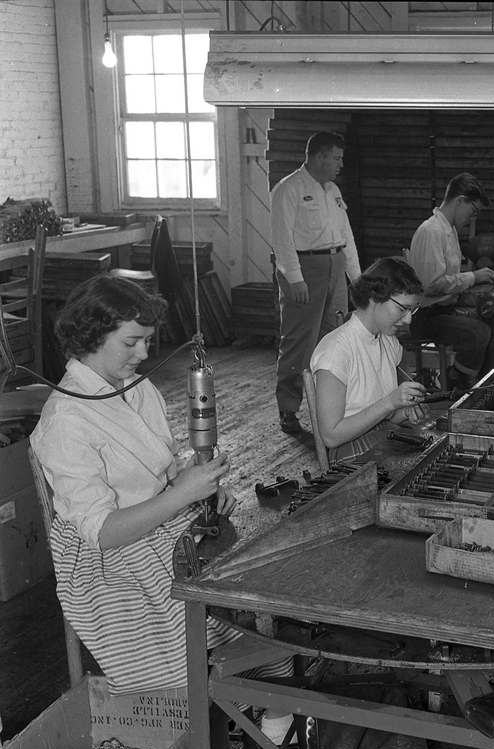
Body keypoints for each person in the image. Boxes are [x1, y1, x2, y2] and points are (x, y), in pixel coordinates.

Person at [29, 275, 242, 695]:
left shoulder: (138, 388)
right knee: (193, 640)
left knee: (250, 594)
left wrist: (195, 485)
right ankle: (204, 716)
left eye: (147, 340)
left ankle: (255, 710)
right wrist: (182, 494)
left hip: (162, 521)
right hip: (107, 557)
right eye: (131, 343)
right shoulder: (65, 421)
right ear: (92, 336)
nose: (144, 353)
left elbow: (164, 469)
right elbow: (103, 532)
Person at [271, 131, 361, 434]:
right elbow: (282, 239)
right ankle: (288, 408)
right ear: (319, 156)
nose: (340, 164)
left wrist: (357, 279)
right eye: (336, 157)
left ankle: (329, 404)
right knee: (299, 339)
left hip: (334, 265)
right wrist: (294, 279)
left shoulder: (333, 190)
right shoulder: (289, 189)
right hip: (304, 268)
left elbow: (346, 237)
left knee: (333, 336)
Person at [310, 257, 430, 462]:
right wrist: (390, 402)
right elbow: (330, 436)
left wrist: (405, 411)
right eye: (402, 309)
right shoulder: (336, 351)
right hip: (348, 453)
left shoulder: (388, 341)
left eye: (412, 309)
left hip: (383, 435)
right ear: (374, 298)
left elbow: (386, 416)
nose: (408, 319)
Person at [408, 173, 494, 391]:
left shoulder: (449, 230)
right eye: (473, 211)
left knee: (493, 326)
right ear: (460, 201)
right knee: (478, 333)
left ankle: (468, 381)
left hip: (442, 311)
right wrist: (473, 277)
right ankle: (453, 382)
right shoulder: (432, 231)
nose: (473, 218)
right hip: (424, 317)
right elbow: (432, 285)